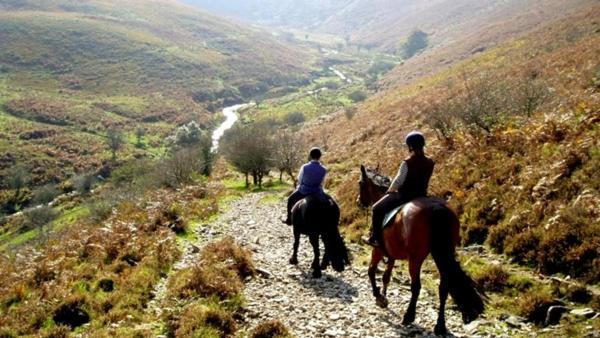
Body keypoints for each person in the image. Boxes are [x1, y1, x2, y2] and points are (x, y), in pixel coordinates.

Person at [367, 131, 434, 247]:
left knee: (376, 209)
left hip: (405, 195)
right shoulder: (430, 162)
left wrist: (391, 190)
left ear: (410, 146)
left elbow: (399, 180)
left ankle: (376, 238)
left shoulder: (407, 162)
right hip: (422, 195)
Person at [283, 147, 327, 225]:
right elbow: (322, 183)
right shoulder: (324, 169)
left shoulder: (304, 167)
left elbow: (300, 179)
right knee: (330, 204)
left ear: (310, 156)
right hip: (317, 193)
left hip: (303, 191)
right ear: (320, 156)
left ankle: (289, 219)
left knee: (290, 199)